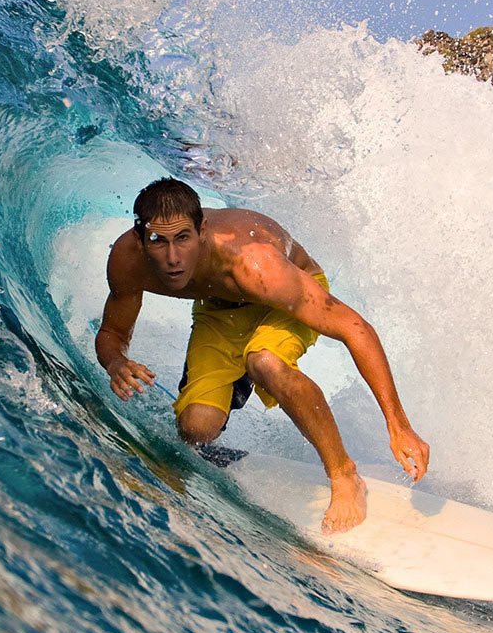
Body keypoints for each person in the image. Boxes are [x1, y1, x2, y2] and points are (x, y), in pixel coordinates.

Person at [94, 177, 430, 533]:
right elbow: (112, 333)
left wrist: (398, 425)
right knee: (195, 429)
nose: (173, 258)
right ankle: (233, 383)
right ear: (139, 238)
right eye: (158, 242)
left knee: (265, 360)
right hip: (221, 309)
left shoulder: (255, 265)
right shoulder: (128, 259)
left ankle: (344, 474)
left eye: (183, 239)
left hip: (282, 300)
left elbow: (355, 328)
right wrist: (116, 362)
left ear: (202, 230)